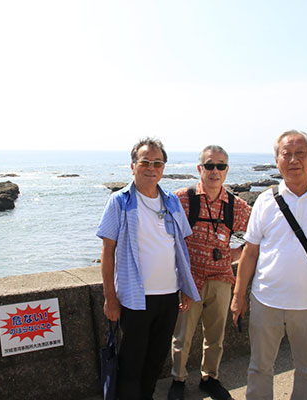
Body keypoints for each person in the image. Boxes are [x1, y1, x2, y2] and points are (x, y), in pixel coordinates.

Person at [230, 130, 307, 400]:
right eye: (287, 154)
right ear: (277, 161)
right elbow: (250, 252)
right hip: (265, 301)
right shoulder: (264, 201)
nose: (293, 160)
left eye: (301, 154)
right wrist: (238, 297)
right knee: (259, 368)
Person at [97, 137, 201, 400]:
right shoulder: (119, 201)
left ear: (163, 168)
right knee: (131, 362)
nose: (151, 167)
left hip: (168, 297)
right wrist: (110, 297)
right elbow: (107, 251)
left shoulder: (172, 202)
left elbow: (180, 248)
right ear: (133, 166)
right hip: (135, 298)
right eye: (145, 162)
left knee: (155, 361)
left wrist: (186, 288)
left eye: (157, 163)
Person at [168, 145, 252, 400]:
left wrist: (236, 254)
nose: (215, 171)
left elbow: (260, 233)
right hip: (188, 280)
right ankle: (178, 380)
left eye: (221, 165)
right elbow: (163, 235)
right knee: (182, 336)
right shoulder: (183, 199)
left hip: (222, 279)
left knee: (216, 336)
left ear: (227, 170)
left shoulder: (235, 205)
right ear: (200, 168)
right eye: (209, 165)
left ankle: (210, 378)